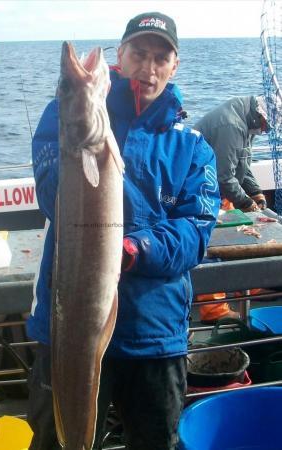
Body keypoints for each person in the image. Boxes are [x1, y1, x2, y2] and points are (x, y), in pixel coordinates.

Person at [26, 11, 220, 450]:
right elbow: (52, 191)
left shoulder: (192, 146)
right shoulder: (62, 117)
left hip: (156, 334)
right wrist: (82, 107)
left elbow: (195, 232)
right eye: (138, 54)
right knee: (56, 439)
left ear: (175, 66)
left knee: (156, 441)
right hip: (69, 322)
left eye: (159, 58)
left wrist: (136, 248)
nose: (148, 68)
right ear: (120, 55)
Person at [194, 96, 269, 323]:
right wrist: (247, 203)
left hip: (220, 191)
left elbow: (241, 165)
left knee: (241, 234)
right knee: (215, 243)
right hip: (201, 192)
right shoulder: (231, 125)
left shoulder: (247, 122)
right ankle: (213, 310)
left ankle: (245, 286)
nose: (266, 131)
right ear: (261, 115)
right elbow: (224, 176)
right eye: (268, 125)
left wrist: (255, 192)